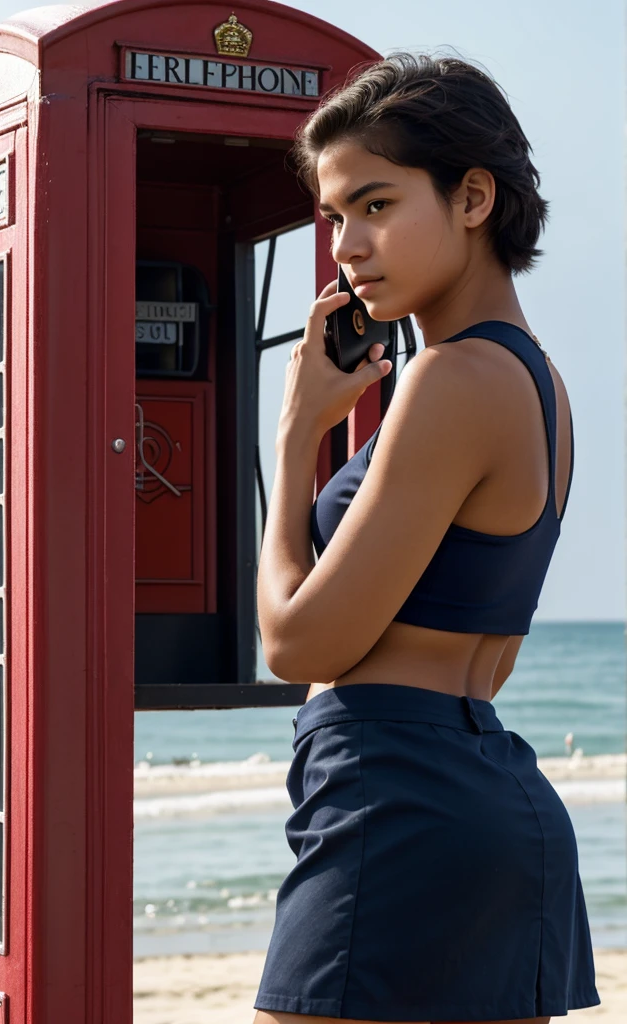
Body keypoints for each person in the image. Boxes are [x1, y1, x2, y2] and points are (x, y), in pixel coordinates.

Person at [252, 52, 600, 1024]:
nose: (345, 247)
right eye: (331, 217)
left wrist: (292, 445)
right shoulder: (536, 384)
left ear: (471, 198)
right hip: (485, 792)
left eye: (373, 204)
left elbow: (296, 643)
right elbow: (480, 651)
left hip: (391, 799)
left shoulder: (448, 381)